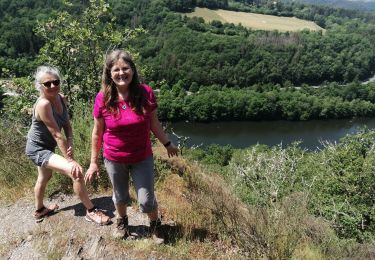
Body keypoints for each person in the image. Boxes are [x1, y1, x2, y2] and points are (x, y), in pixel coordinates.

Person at [84, 50, 179, 243]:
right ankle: (122, 222)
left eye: (125, 68)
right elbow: (97, 132)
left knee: (146, 198)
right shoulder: (103, 98)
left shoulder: (145, 92)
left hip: (142, 156)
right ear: (109, 72)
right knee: (120, 196)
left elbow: (154, 123)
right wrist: (93, 162)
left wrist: (167, 143)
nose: (121, 73)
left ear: (133, 70)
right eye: (116, 69)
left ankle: (154, 226)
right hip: (114, 158)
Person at [25, 65, 110, 225]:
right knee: (75, 172)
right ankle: (91, 211)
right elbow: (57, 134)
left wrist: (70, 139)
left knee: (44, 176)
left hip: (47, 146)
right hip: (37, 148)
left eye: (55, 82)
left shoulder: (61, 98)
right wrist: (70, 160)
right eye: (47, 84)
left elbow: (67, 125)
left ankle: (39, 210)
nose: (52, 86)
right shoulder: (43, 104)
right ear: (40, 86)